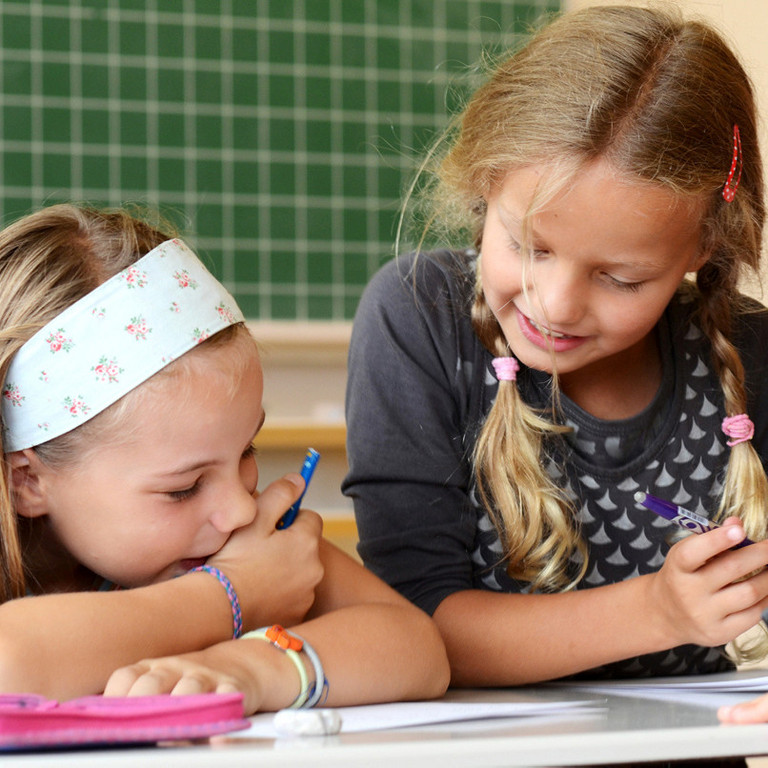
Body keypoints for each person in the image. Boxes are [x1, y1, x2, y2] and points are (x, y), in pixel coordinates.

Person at [343, 2, 768, 690]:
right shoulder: (421, 317)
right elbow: (411, 624)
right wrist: (658, 611)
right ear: (486, 181)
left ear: (703, 246)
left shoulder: (749, 350)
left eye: (621, 278)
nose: (556, 303)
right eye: (527, 246)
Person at [0, 203, 449, 713]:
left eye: (246, 452)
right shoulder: (239, 567)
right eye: (184, 488)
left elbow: (418, 648)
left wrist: (254, 667)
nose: (240, 508)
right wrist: (233, 593)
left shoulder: (238, 539)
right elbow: (9, 661)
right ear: (28, 482)